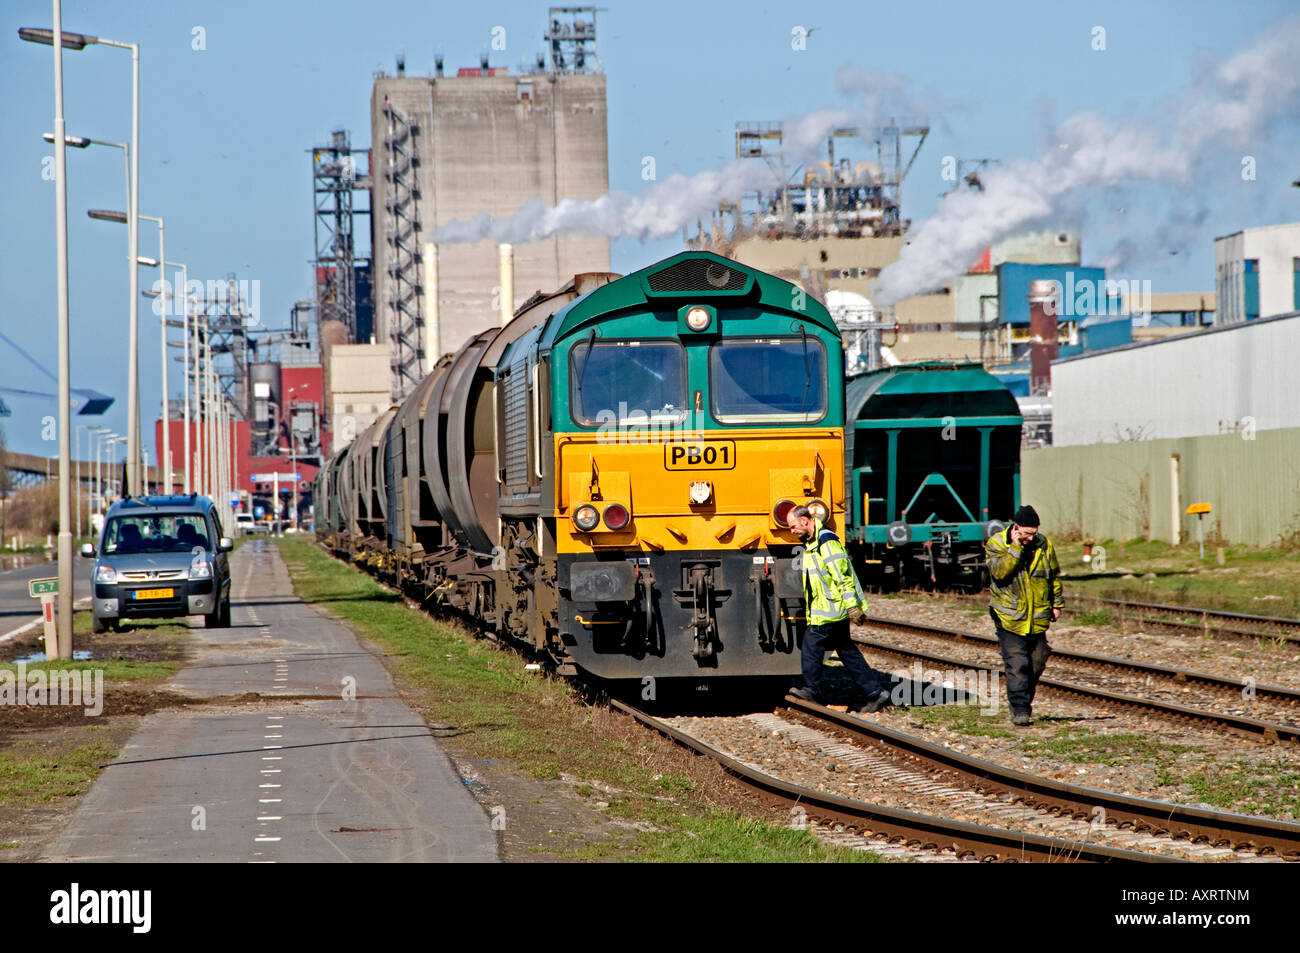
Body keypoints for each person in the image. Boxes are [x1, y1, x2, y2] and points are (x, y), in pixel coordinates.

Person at [787, 505, 892, 713]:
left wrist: (852, 606)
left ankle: (810, 689)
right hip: (827, 606)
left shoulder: (826, 541)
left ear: (805, 521)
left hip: (831, 608)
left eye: (793, 527)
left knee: (811, 644)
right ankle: (875, 692)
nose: (791, 531)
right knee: (846, 650)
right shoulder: (812, 541)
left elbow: (842, 576)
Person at [986, 505, 1063, 726]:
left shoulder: (1043, 544)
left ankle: (1023, 698)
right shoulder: (997, 544)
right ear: (1016, 528)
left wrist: (1056, 603)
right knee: (1017, 663)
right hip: (1008, 617)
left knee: (1037, 661)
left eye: (1034, 533)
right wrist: (1016, 549)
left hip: (1037, 617)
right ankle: (1020, 708)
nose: (1031, 537)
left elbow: (1053, 576)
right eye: (1027, 533)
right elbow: (1000, 573)